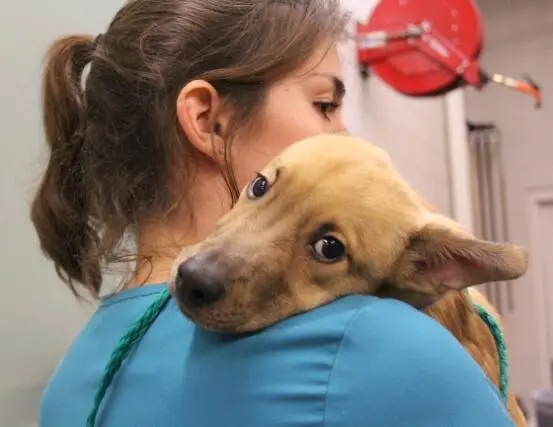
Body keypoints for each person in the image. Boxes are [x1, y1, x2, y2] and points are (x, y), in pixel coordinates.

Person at [32, 1, 515, 426]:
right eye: (324, 104)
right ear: (208, 120)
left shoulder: (71, 383)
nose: (342, 135)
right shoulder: (382, 348)